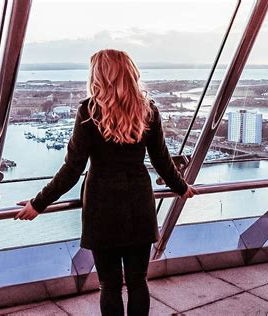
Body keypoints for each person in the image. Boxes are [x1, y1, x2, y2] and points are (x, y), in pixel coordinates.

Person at [15, 49, 195, 315]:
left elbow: (72, 169)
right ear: (129, 73)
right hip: (139, 203)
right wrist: (182, 188)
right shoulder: (148, 110)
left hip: (103, 207)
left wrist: (38, 203)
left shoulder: (89, 112)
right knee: (137, 282)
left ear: (98, 75)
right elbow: (162, 160)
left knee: (109, 286)